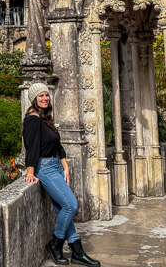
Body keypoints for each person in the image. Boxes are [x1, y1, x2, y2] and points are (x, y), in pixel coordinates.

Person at [23, 82, 100, 266]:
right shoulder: (32, 119)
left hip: (56, 166)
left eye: (46, 95)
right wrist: (30, 172)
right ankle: (55, 244)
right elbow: (31, 147)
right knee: (71, 205)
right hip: (45, 169)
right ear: (34, 99)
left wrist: (65, 165)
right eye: (40, 96)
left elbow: (57, 145)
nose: (45, 98)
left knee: (62, 208)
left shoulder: (45, 118)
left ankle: (77, 252)